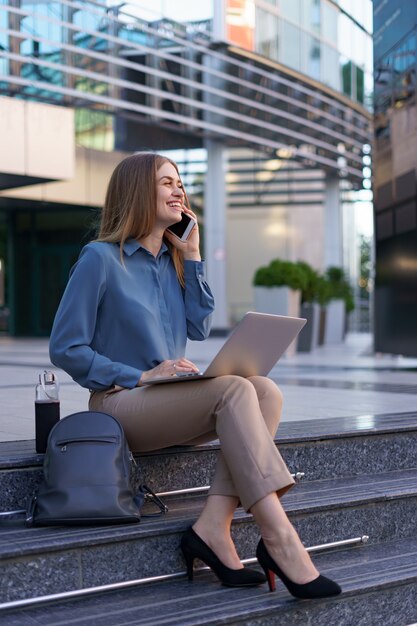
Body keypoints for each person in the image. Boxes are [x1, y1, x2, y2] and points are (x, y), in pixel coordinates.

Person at [49, 152, 341, 599]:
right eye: (166, 182)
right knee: (232, 391)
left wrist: (194, 256)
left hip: (169, 399)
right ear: (136, 193)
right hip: (118, 402)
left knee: (264, 391)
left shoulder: (174, 261)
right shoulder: (100, 259)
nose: (178, 190)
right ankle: (279, 537)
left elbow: (199, 328)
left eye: (179, 183)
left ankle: (214, 526)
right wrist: (141, 376)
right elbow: (65, 347)